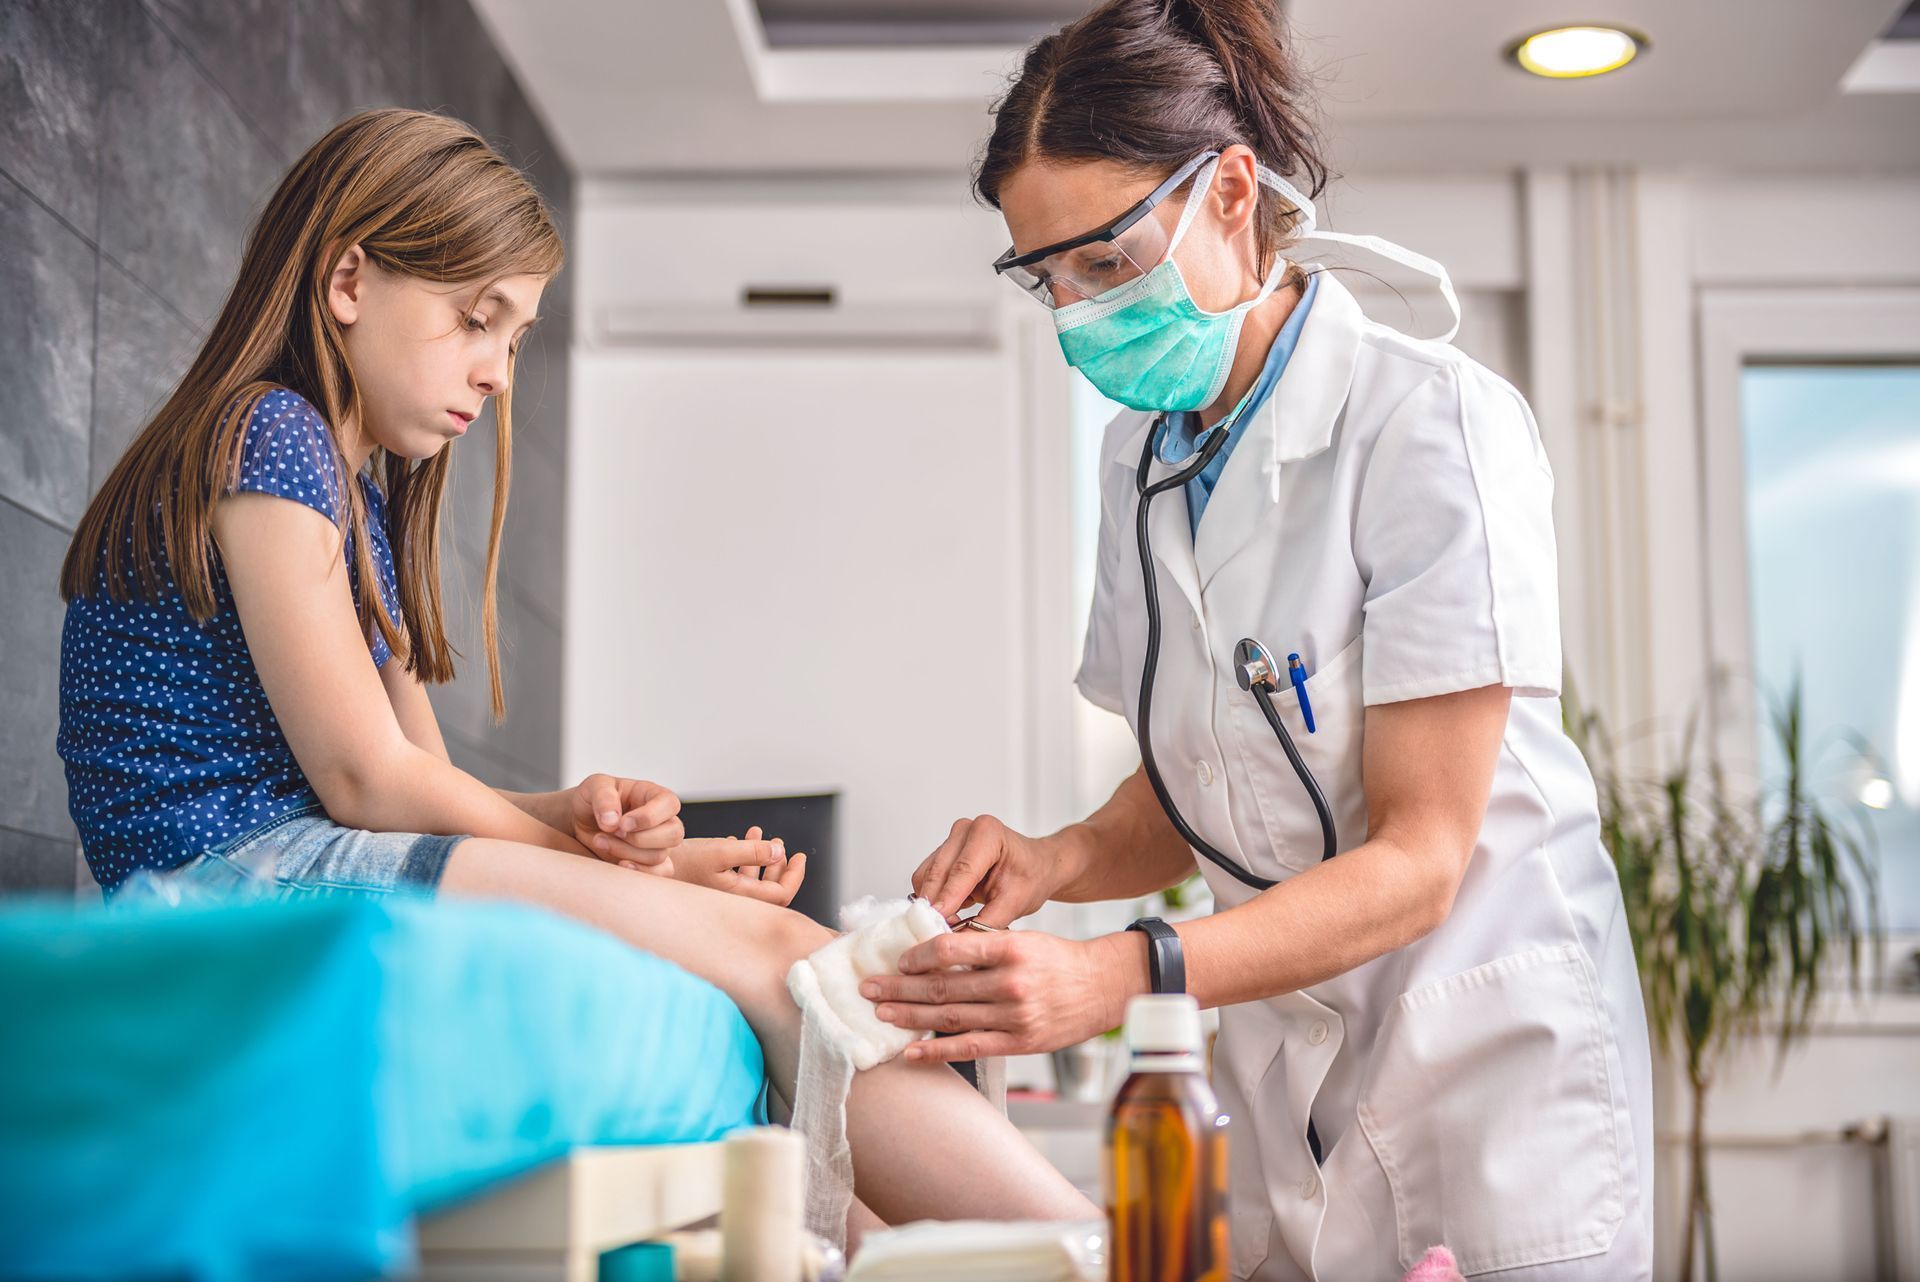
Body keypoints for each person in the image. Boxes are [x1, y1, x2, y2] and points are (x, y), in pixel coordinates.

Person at [56, 107, 1093, 1238]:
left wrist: (585, 826)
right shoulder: (275, 436)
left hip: (291, 858)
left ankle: (960, 1256)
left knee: (774, 972)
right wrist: (647, 886)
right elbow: (365, 783)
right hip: (227, 885)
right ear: (349, 278)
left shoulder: (345, 489)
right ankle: (1104, 1259)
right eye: (476, 320)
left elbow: (416, 780)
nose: (498, 373)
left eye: (517, 337)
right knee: (787, 960)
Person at [858, 3, 1654, 1278]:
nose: (1073, 316)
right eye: (1043, 274)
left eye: (1106, 264)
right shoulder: (1137, 464)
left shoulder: (1429, 425)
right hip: (1280, 1074)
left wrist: (1130, 973)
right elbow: (1203, 791)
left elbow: (1424, 857)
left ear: (1231, 193)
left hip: (1487, 1072)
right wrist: (1054, 858)